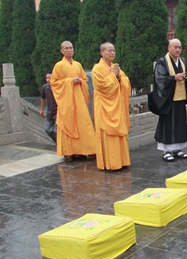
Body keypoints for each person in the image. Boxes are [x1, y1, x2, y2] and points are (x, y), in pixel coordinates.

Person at [50, 41, 96, 162]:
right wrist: (69, 81)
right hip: (66, 101)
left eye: (71, 48)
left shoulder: (78, 65)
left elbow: (85, 80)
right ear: (62, 51)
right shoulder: (59, 66)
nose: (69, 50)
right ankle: (68, 152)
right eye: (66, 48)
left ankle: (82, 150)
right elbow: (54, 83)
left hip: (79, 99)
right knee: (67, 123)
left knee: (82, 123)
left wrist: (80, 81)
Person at [153, 38, 187, 162]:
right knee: (168, 124)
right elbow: (160, 79)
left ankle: (178, 148)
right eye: (175, 47)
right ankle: (166, 150)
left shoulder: (183, 61)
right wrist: (173, 78)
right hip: (168, 99)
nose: (178, 50)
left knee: (180, 124)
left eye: (180, 47)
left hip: (180, 98)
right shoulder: (162, 62)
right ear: (169, 48)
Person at [92, 42, 132, 171]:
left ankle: (122, 160)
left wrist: (119, 76)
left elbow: (126, 84)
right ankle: (111, 163)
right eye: (109, 51)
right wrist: (113, 75)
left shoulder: (116, 67)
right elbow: (102, 87)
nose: (112, 53)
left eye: (114, 50)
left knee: (119, 135)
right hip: (105, 108)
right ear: (102, 53)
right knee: (108, 135)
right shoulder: (97, 69)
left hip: (117, 107)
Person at [39, 73, 57, 143]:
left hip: (58, 112)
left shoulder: (58, 87)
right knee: (47, 129)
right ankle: (57, 143)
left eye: (50, 78)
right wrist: (41, 109)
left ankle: (60, 145)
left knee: (56, 131)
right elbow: (42, 98)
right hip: (50, 112)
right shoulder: (45, 87)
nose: (48, 80)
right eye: (47, 78)